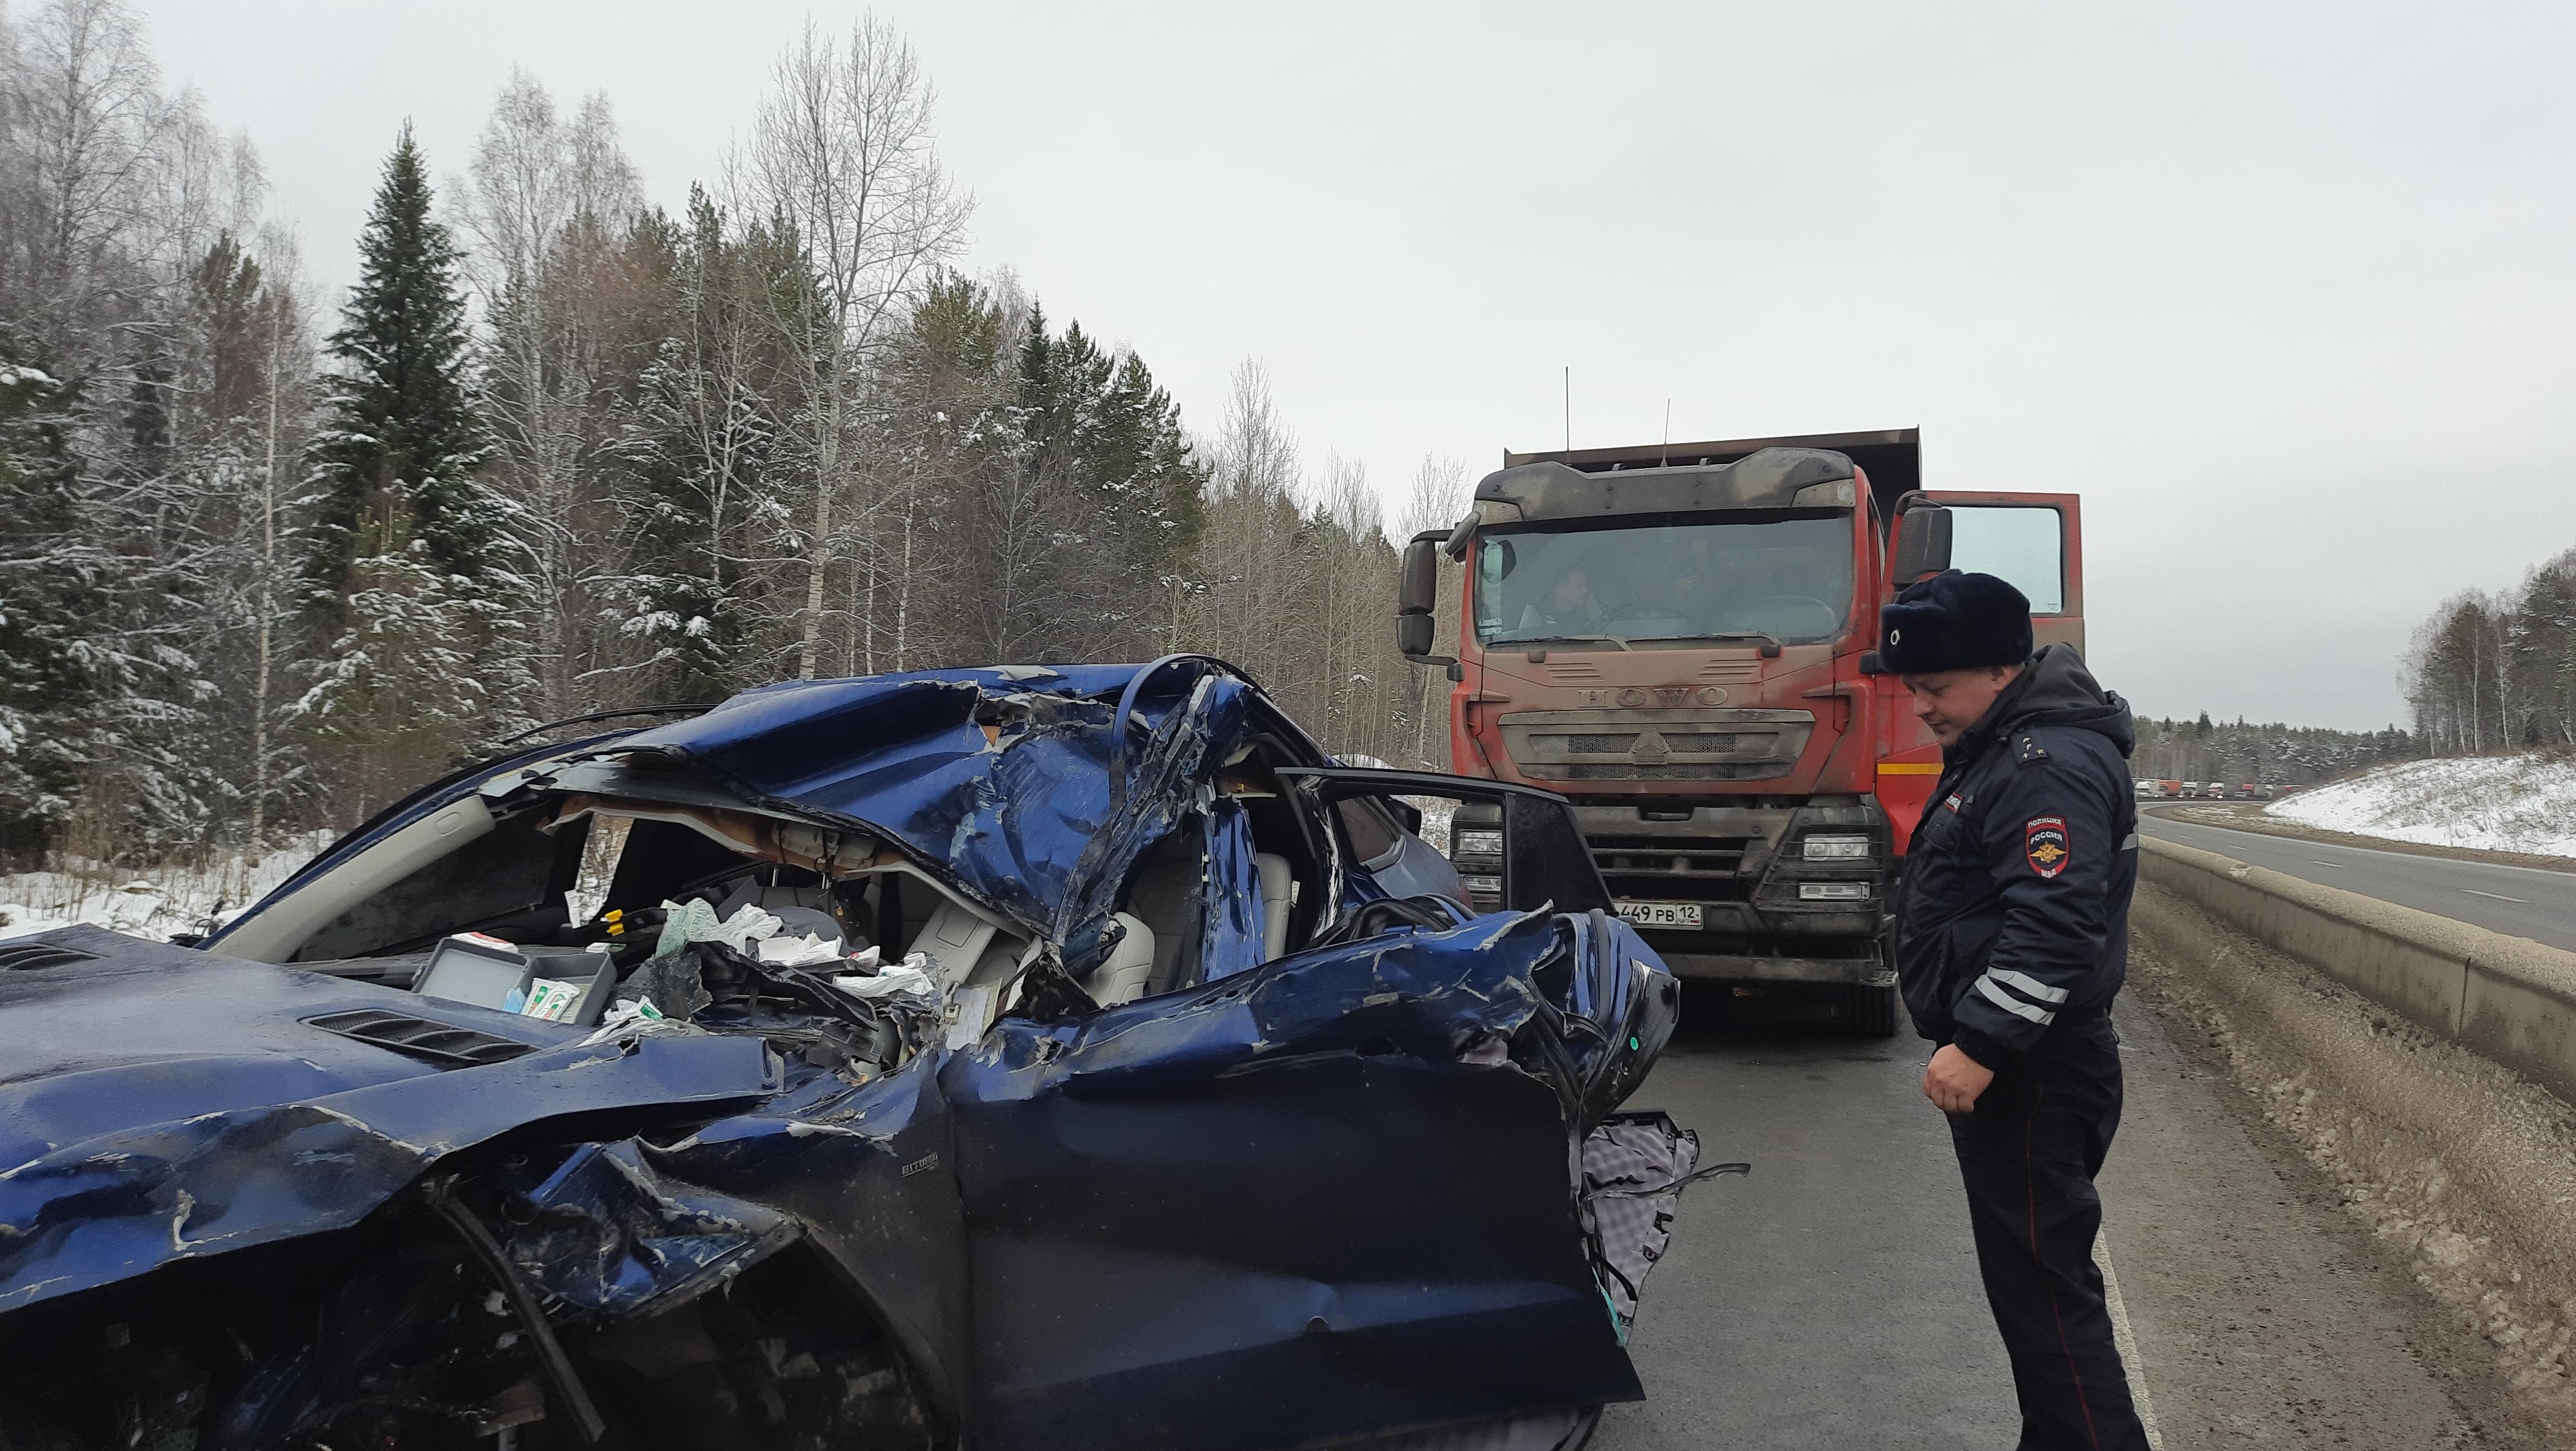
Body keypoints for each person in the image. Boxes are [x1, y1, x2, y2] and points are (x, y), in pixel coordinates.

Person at [1882, 569, 2149, 1451]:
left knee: (2048, 1304)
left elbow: (2055, 924)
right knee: (2037, 1297)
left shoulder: (2048, 764)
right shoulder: (2012, 750)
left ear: (2001, 670)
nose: (1921, 707)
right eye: (1913, 688)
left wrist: (1983, 1044)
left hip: (2035, 1071)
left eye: (1935, 687)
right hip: (2034, 1065)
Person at [1515, 565, 1604, 636]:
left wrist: (1596, 617)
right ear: (1561, 587)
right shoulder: (1536, 611)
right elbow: (1524, 645)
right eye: (1579, 586)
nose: (1585, 591)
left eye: (1585, 586)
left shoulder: (1590, 610)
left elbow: (1602, 638)